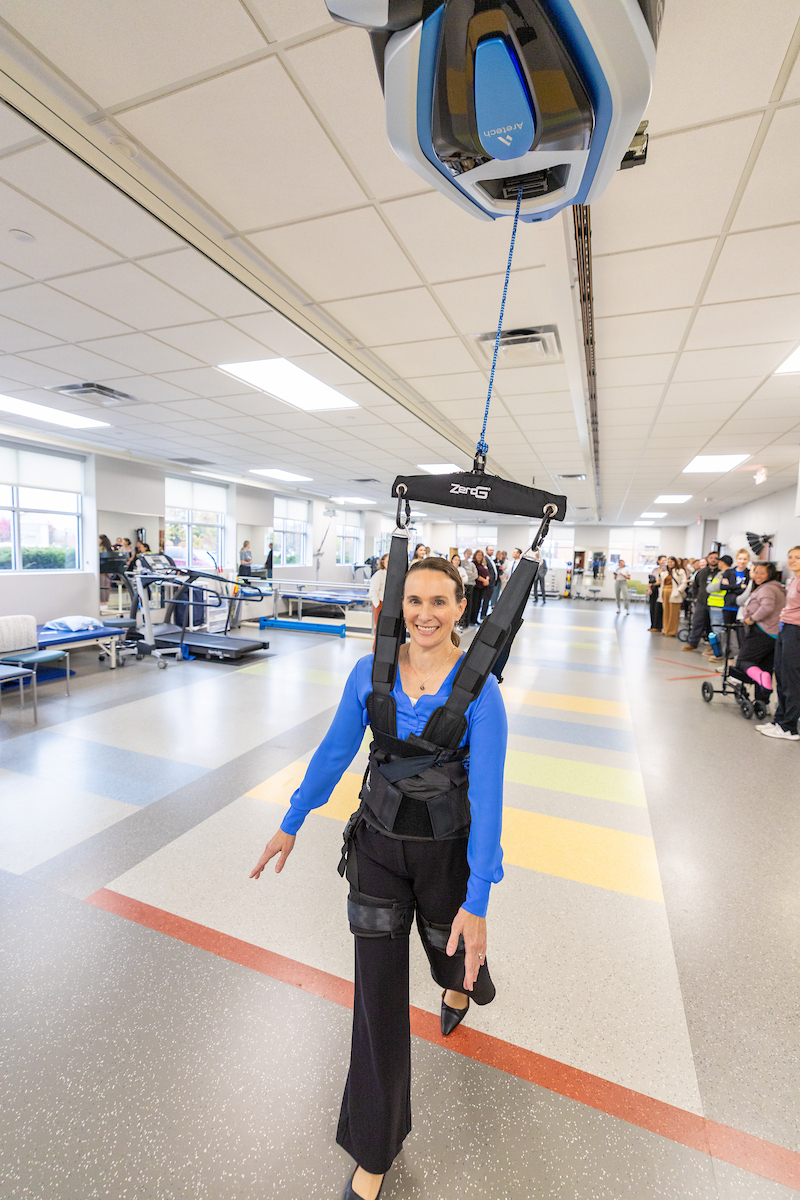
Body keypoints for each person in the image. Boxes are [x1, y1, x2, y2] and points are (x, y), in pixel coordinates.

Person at [250, 558, 506, 1200]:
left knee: (452, 951)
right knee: (378, 1007)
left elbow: (491, 797)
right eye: (414, 600)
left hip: (447, 854)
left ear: (460, 606)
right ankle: (375, 1150)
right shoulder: (370, 674)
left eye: (440, 601)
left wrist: (478, 899)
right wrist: (292, 820)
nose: (425, 613)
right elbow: (334, 753)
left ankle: (458, 986)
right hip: (379, 853)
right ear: (396, 607)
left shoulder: (482, 691)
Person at [756, 545, 800, 741]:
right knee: (780, 674)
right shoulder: (793, 579)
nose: (792, 560)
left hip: (796, 630)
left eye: (797, 558)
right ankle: (779, 721)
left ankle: (790, 727)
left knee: (791, 679)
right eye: (790, 557)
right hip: (786, 627)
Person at [728, 563, 785, 705]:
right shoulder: (777, 588)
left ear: (770, 574)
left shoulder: (767, 589)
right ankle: (761, 700)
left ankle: (760, 677)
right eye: (756, 572)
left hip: (762, 631)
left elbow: (767, 607)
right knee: (765, 665)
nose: (758, 576)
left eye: (762, 573)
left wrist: (752, 619)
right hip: (775, 634)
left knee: (743, 661)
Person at [683, 550, 720, 652]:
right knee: (697, 623)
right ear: (708, 559)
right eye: (711, 558)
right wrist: (695, 597)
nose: (713, 560)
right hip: (701, 602)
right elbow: (695, 586)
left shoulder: (720, 573)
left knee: (713, 626)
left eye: (715, 558)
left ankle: (714, 647)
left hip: (715, 603)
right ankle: (692, 643)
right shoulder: (702, 572)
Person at [659, 556, 687, 637]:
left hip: (674, 592)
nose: (670, 564)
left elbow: (684, 582)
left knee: (673, 613)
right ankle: (665, 629)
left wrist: (679, 591)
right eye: (668, 562)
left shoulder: (680, 571)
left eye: (671, 562)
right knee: (666, 612)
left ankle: (672, 631)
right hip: (665, 592)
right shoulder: (665, 572)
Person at [369, 553, 389, 634]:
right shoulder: (379, 574)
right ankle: (376, 647)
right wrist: (377, 605)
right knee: (380, 629)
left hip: (391, 605)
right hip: (380, 603)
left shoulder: (395, 575)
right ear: (383, 562)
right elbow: (373, 591)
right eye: (388, 561)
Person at [648, 555, 667, 631]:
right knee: (652, 607)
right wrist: (649, 588)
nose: (664, 562)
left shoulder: (666, 570)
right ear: (658, 561)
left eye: (665, 560)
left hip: (661, 589)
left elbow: (663, 581)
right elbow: (650, 581)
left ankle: (658, 626)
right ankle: (652, 625)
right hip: (653, 589)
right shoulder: (655, 570)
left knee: (658, 608)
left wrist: (654, 584)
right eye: (662, 560)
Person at [474, 548, 492, 622]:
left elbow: (487, 573)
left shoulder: (483, 564)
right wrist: (484, 580)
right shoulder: (474, 564)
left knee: (479, 604)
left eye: (481, 555)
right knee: (475, 603)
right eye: (478, 555)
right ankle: (473, 619)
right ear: (475, 556)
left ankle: (476, 619)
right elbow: (476, 575)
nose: (479, 556)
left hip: (483, 587)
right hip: (476, 586)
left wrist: (487, 579)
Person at [462, 549, 477, 626]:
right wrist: (469, 574)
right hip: (463, 585)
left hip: (471, 585)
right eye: (467, 553)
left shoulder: (472, 564)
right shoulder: (461, 563)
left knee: (469, 603)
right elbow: (462, 575)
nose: (468, 555)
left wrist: (468, 576)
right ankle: (462, 621)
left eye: (470, 553)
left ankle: (467, 621)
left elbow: (475, 575)